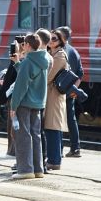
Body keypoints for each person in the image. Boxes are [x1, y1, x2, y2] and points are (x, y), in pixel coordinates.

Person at [10, 31, 50, 178]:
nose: (23, 47)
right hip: (38, 103)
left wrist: (13, 107)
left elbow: (21, 86)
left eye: (24, 44)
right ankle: (38, 169)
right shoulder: (43, 60)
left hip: (24, 102)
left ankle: (25, 170)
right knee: (36, 135)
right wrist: (17, 64)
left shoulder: (28, 61)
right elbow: (31, 75)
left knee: (23, 136)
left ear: (27, 45)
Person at [43, 32, 71, 171]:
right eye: (50, 38)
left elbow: (48, 76)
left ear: (60, 41)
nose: (51, 41)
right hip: (50, 94)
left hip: (54, 96)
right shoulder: (51, 53)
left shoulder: (60, 55)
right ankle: (53, 158)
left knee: (52, 127)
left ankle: (54, 160)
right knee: (51, 127)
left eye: (54, 39)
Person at [56, 25, 84, 158]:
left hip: (59, 90)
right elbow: (80, 73)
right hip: (70, 90)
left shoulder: (59, 51)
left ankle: (59, 149)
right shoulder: (74, 51)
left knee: (58, 120)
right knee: (71, 120)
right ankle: (75, 148)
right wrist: (75, 89)